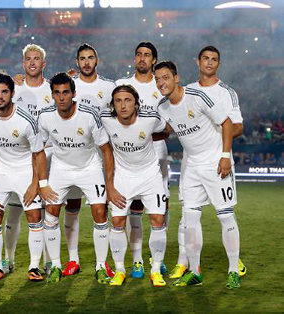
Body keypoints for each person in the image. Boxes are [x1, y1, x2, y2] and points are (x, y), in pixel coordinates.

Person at [154, 61, 242, 289]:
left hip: (215, 161)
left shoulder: (197, 95)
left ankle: (233, 269)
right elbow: (166, 129)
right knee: (190, 218)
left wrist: (225, 155)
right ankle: (195, 271)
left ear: (177, 78)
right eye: (157, 79)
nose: (161, 82)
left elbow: (226, 122)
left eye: (165, 77)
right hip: (191, 165)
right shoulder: (162, 106)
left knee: (224, 215)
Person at [0, 73, 56, 281]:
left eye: (5, 92)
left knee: (35, 217)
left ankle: (34, 267)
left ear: (12, 94)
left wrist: (36, 184)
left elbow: (39, 155)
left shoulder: (26, 120)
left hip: (25, 172)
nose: (0, 96)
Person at [38, 72, 121, 284]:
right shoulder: (46, 116)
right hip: (61, 168)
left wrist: (109, 184)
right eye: (57, 93)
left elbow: (106, 149)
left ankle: (101, 266)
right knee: (51, 212)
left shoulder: (88, 115)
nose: (62, 97)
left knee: (100, 212)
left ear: (73, 94)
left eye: (66, 92)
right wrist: (42, 183)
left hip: (89, 167)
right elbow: (38, 151)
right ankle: (56, 264)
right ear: (52, 96)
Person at [101, 85, 168, 287]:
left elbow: (166, 130)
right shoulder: (106, 119)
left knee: (157, 219)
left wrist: (148, 137)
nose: (123, 105)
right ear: (113, 104)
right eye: (118, 101)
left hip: (150, 175)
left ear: (136, 103)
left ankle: (156, 269)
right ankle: (120, 269)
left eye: (128, 100)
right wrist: (110, 186)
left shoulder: (150, 118)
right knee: (118, 222)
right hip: (123, 177)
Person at [115, 42, 169, 278]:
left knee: (160, 208)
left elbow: (167, 127)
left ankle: (158, 258)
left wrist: (143, 135)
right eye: (138, 54)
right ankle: (137, 260)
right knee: (133, 208)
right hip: (128, 157)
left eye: (147, 55)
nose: (142, 59)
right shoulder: (123, 85)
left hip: (157, 153)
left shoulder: (162, 86)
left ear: (154, 59)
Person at [2, 44, 54, 274]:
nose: (32, 62)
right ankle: (8, 259)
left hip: (48, 153)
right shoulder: (15, 89)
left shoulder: (53, 89)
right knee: (13, 211)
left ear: (43, 64)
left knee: (44, 211)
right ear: (23, 63)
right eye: (28, 59)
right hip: (19, 156)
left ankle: (45, 261)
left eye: (36, 59)